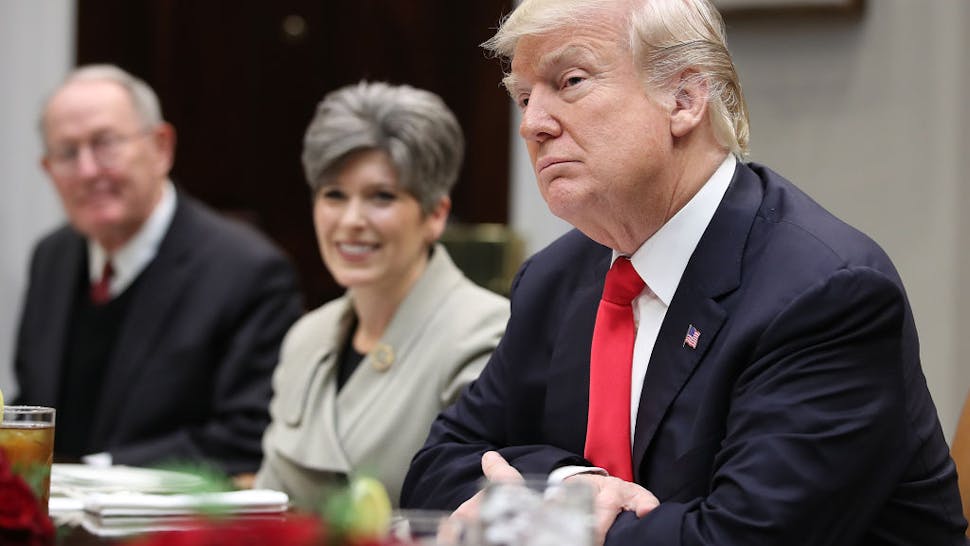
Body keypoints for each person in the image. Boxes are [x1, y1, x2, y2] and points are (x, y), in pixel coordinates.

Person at [400, 1, 969, 544]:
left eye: (569, 82)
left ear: (685, 98)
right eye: (524, 96)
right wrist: (570, 491)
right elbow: (436, 473)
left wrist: (538, 521)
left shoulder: (826, 295)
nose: (533, 125)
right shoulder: (555, 278)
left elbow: (739, 537)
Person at [14, 64, 304, 475]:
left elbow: (247, 435)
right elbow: (32, 407)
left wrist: (94, 473)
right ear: (47, 169)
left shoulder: (247, 271)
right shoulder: (51, 257)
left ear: (161, 147)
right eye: (67, 153)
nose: (87, 171)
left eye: (106, 143)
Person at [254, 81, 510, 508]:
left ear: (435, 215)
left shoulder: (487, 334)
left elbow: (475, 515)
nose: (351, 220)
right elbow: (266, 507)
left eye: (381, 197)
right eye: (334, 194)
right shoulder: (306, 338)